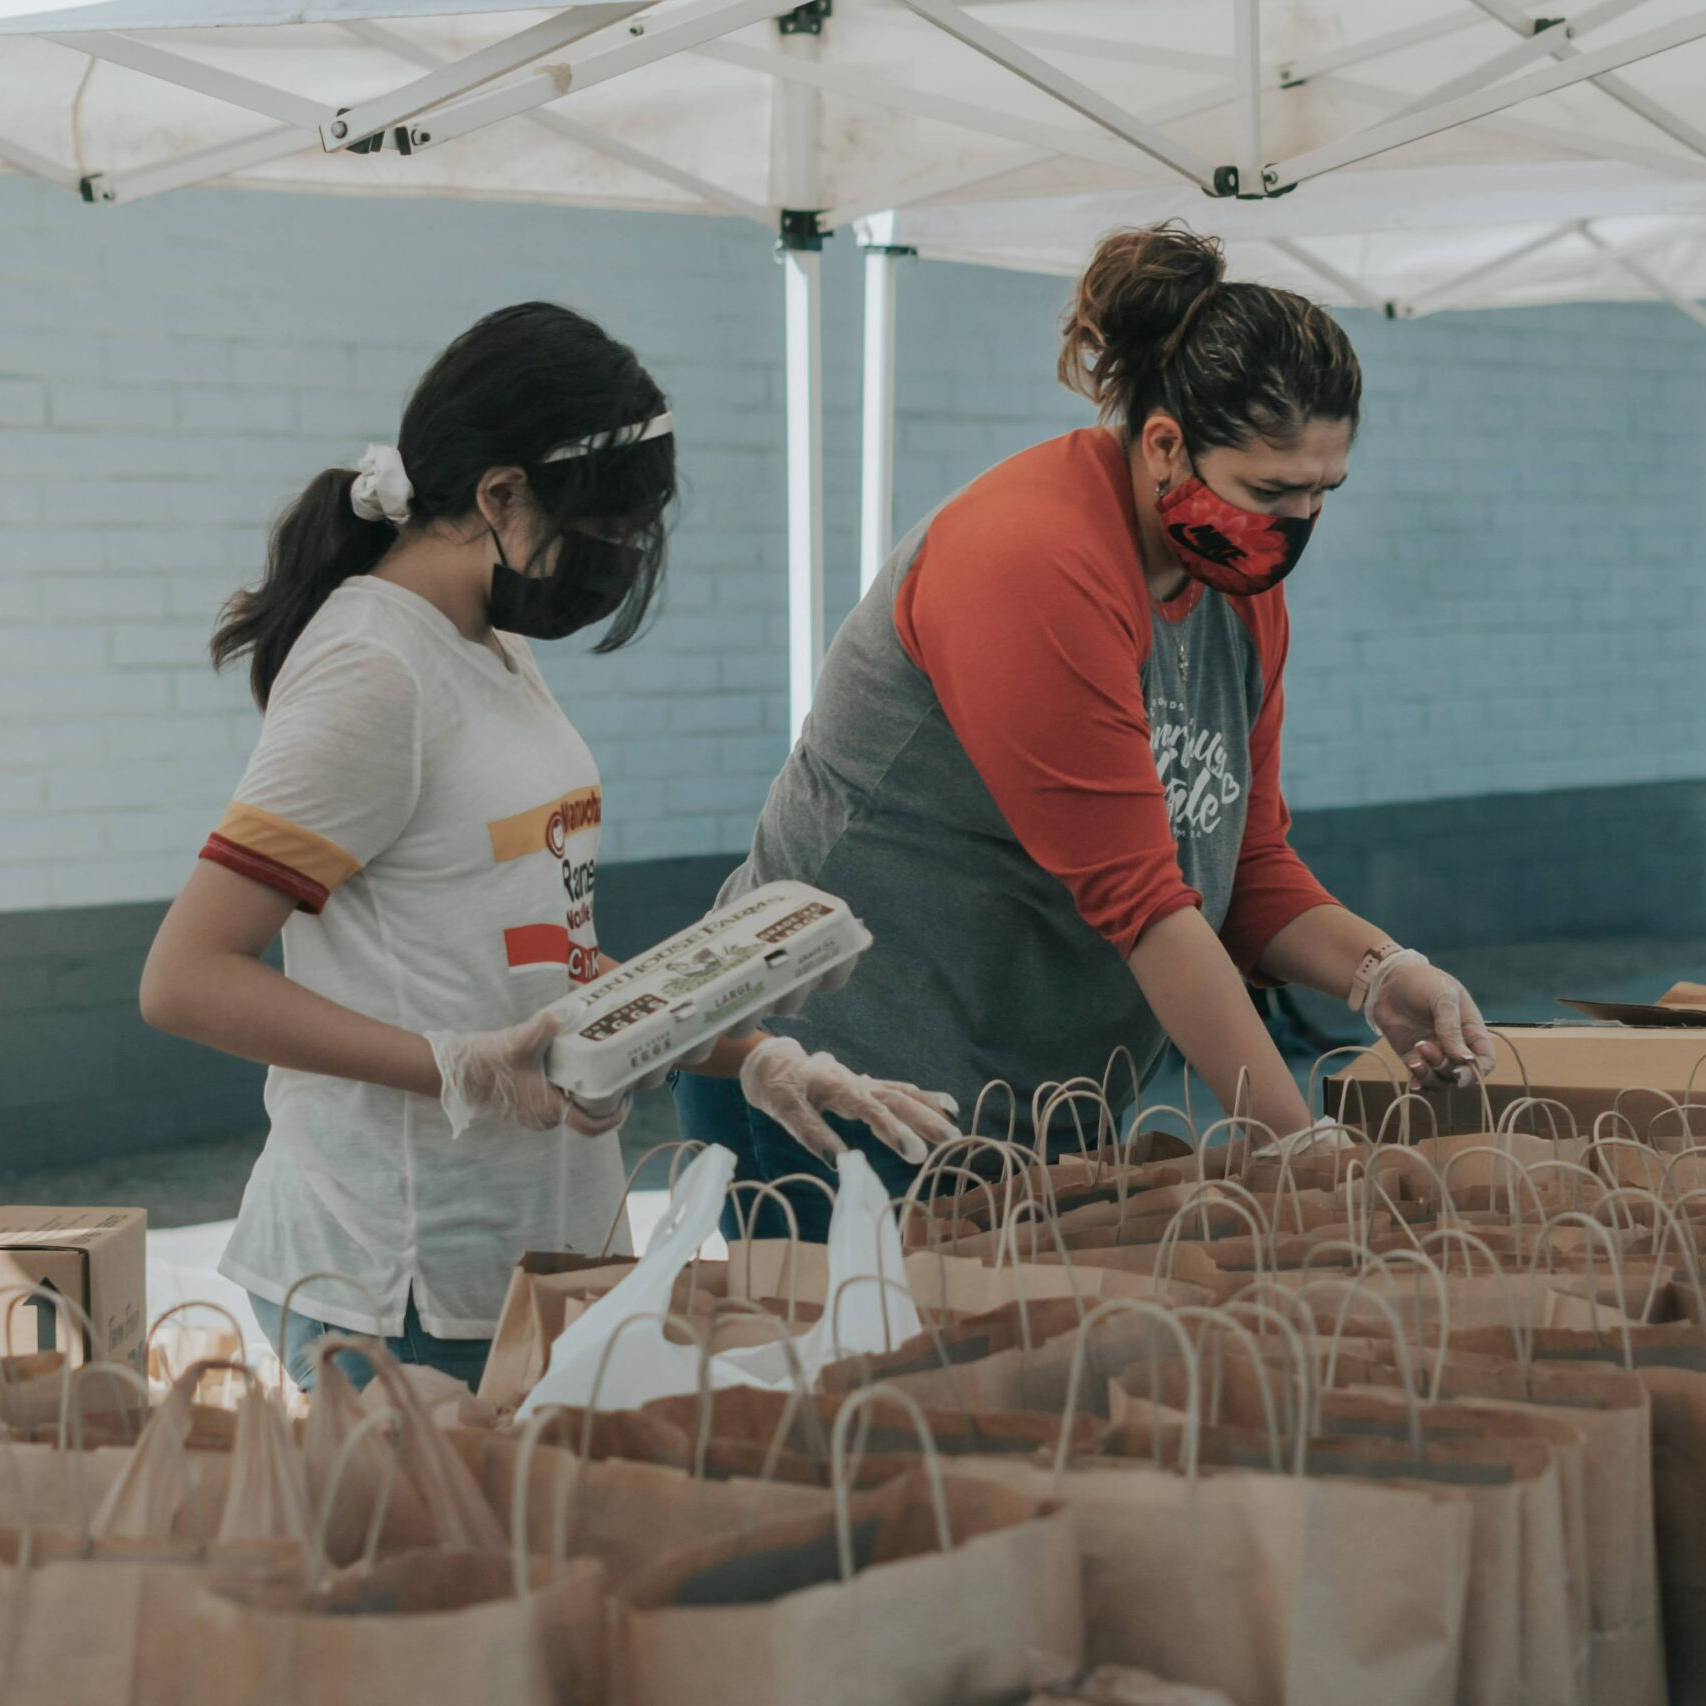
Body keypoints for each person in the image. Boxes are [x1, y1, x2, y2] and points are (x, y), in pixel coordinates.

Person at [140, 303, 955, 1393]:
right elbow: (185, 979)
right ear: (498, 495)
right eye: (606, 530)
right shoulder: (372, 669)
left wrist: (745, 1044)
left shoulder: (488, 644)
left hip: (537, 1253)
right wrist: (453, 1065)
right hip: (402, 1281)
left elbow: (541, 968)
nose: (616, 562)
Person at [675, 222, 1497, 1239]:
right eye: (1269, 491)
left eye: (1321, 493)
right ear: (1162, 444)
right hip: (837, 1075)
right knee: (854, 1378)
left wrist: (1379, 969)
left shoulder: (1236, 589)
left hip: (1020, 1097)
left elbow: (1242, 860)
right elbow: (1145, 905)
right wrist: (1301, 1144)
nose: (1293, 526)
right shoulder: (1031, 561)